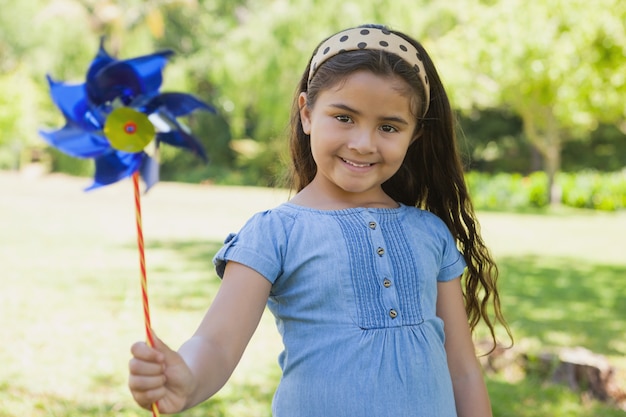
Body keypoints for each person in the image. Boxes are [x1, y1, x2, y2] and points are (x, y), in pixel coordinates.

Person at [128, 23, 511, 417]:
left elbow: (462, 372)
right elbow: (216, 344)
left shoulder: (430, 232)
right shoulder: (275, 233)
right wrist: (187, 379)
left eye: (388, 127)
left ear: (413, 136)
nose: (363, 143)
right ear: (307, 112)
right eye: (344, 118)